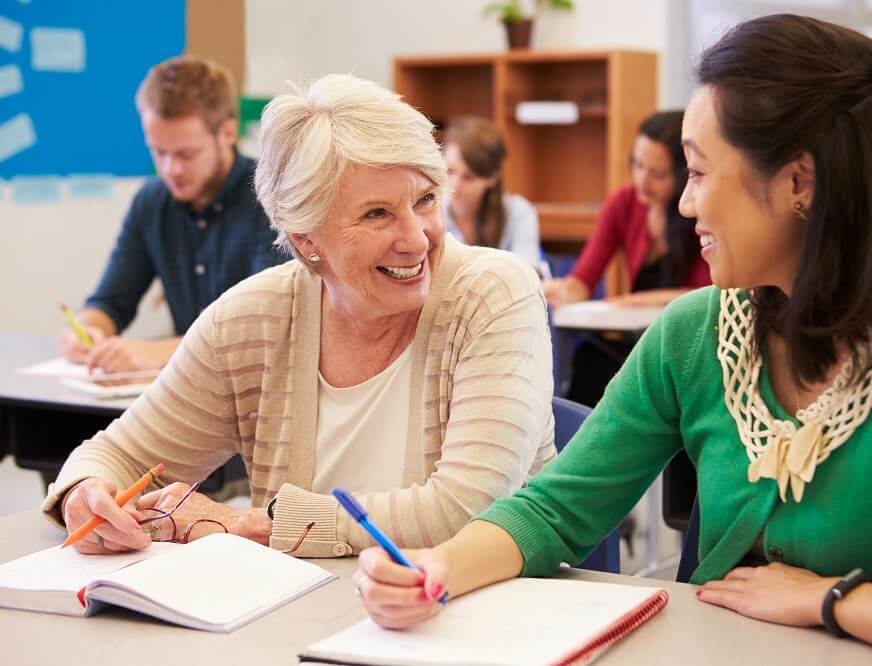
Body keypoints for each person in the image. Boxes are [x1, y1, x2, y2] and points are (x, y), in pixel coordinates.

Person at [353, 15, 872, 663]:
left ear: (799, 181)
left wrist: (832, 599)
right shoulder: (697, 332)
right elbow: (553, 511)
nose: (685, 205)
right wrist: (434, 571)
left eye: (698, 172)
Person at [41, 73, 557, 559]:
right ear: (305, 238)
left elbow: (466, 512)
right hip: (300, 621)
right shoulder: (254, 317)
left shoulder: (494, 293)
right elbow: (115, 456)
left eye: (425, 200)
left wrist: (250, 526)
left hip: (479, 620)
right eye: (377, 214)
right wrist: (85, 496)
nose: (417, 238)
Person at [57, 56, 283, 374]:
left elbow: (260, 328)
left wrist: (156, 352)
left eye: (186, 154)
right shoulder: (151, 202)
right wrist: (88, 329)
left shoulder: (272, 198)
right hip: (191, 392)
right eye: (159, 152)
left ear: (228, 133)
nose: (171, 169)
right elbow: (110, 301)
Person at [547, 111, 712, 407]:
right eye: (636, 165)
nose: (641, 180)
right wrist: (560, 290)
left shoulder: (699, 211)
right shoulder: (623, 203)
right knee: (591, 361)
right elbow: (584, 279)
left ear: (682, 174)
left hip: (688, 344)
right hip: (637, 340)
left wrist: (640, 300)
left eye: (656, 173)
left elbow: (708, 292)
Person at [442, 116, 543, 271]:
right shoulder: (430, 211)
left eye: (469, 177)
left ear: (492, 177)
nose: (455, 184)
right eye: (450, 171)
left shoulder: (519, 213)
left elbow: (527, 274)